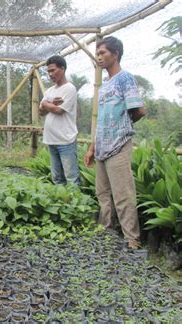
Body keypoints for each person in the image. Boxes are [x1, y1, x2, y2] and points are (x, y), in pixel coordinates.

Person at [83, 36, 145, 249]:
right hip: (102, 146)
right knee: (103, 193)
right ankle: (105, 229)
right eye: (98, 53)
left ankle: (131, 239)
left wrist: (122, 127)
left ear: (115, 54)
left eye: (103, 53)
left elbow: (139, 110)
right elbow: (101, 120)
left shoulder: (125, 78)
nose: (99, 57)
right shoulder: (105, 85)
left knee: (123, 194)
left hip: (119, 145)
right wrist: (93, 147)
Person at [39, 55, 80, 185]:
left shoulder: (69, 88)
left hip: (66, 140)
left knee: (71, 178)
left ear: (62, 69)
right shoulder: (50, 91)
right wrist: (49, 104)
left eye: (53, 70)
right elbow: (41, 111)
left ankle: (75, 204)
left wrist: (46, 104)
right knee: (57, 178)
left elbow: (59, 110)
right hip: (52, 139)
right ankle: (62, 203)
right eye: (48, 72)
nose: (50, 74)